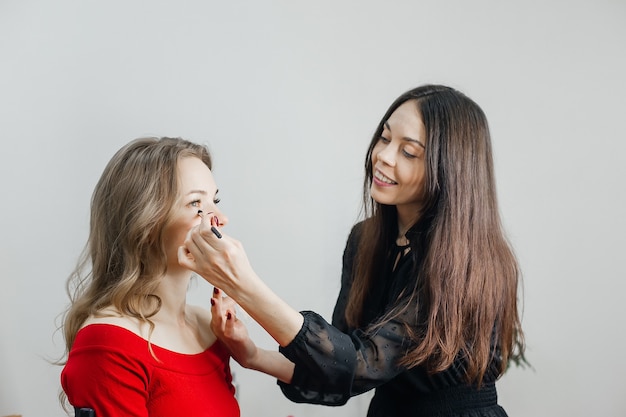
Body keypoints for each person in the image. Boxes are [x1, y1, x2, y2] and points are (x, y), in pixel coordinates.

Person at [179, 84, 526, 416]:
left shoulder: (461, 264)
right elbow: (337, 365)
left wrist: (244, 284)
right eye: (385, 137)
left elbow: (360, 364)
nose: (383, 156)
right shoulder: (366, 240)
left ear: (449, 171)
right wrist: (252, 355)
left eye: (408, 152)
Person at [58, 137, 240, 417]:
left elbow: (329, 373)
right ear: (145, 223)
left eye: (214, 200)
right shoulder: (108, 343)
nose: (220, 218)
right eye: (195, 203)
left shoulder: (208, 325)